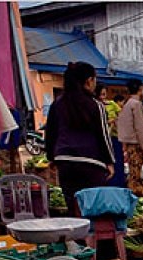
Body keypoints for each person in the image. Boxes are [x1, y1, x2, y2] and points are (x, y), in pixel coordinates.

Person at [45, 62, 114, 216]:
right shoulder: (96, 105)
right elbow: (103, 135)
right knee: (92, 209)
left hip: (65, 162)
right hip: (91, 164)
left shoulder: (57, 104)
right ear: (89, 81)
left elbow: (50, 134)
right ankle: (90, 239)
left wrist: (51, 158)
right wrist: (109, 162)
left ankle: (77, 238)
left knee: (73, 207)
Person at [117, 78, 143, 197]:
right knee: (137, 175)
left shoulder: (128, 104)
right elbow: (140, 127)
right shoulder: (136, 105)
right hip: (137, 144)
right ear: (140, 89)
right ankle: (136, 197)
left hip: (130, 144)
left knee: (133, 173)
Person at [96, 84, 126, 188]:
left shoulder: (112, 104)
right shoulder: (94, 106)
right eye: (100, 94)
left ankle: (118, 186)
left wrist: (116, 121)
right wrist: (107, 122)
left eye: (104, 94)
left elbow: (122, 114)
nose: (102, 97)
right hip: (101, 139)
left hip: (114, 137)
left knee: (117, 162)